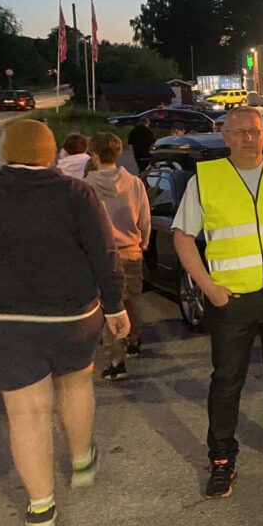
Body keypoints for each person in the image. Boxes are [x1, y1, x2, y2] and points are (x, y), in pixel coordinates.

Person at [0, 120, 127, 526]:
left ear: (5, 154)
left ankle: (41, 508)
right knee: (76, 385)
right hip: (72, 316)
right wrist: (114, 306)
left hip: (5, 321)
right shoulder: (77, 194)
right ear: (51, 153)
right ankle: (80, 460)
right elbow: (104, 253)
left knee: (26, 414)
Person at [172, 107, 263, 498]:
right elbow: (182, 237)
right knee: (226, 381)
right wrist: (208, 288)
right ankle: (221, 458)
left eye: (253, 131)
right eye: (238, 132)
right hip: (231, 301)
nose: (247, 138)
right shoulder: (206, 179)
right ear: (225, 135)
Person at [84, 132, 151, 380]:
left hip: (101, 254)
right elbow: (144, 218)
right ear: (119, 152)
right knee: (132, 299)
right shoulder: (134, 182)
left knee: (109, 307)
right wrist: (143, 241)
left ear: (93, 154)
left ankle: (116, 360)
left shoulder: (86, 187)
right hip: (131, 249)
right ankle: (134, 340)